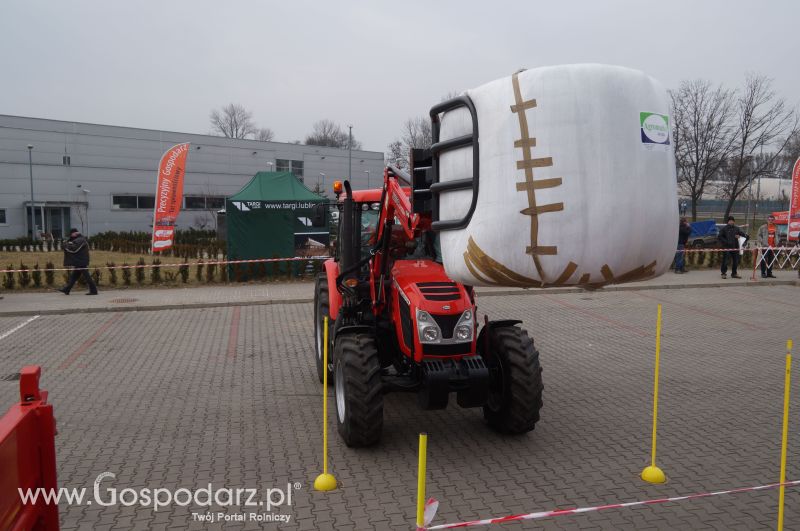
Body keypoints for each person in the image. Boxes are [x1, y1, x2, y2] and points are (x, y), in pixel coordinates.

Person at [58, 228, 98, 295]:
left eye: (71, 234)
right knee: (74, 277)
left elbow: (74, 249)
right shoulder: (78, 239)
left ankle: (94, 291)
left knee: (87, 277)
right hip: (79, 261)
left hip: (81, 262)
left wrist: (65, 245)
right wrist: (68, 243)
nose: (70, 236)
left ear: (75, 233)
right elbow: (73, 246)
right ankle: (67, 289)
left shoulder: (80, 240)